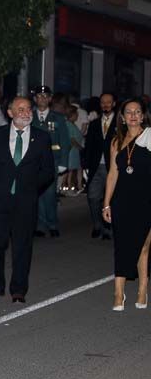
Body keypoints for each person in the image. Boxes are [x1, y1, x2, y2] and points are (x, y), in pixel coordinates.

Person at [0, 96, 55, 304]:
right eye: (20, 109)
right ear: (10, 113)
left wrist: (30, 188)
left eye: (28, 109)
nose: (25, 112)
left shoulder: (41, 138)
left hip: (26, 201)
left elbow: (48, 171)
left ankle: (19, 289)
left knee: (22, 247)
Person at [102, 98, 151, 310]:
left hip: (146, 199)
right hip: (122, 200)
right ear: (122, 117)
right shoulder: (116, 141)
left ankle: (142, 290)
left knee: (143, 247)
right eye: (129, 112)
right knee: (121, 246)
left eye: (137, 112)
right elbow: (113, 174)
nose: (133, 115)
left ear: (143, 115)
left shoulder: (150, 137)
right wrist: (106, 204)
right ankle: (118, 293)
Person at [32, 86, 69, 237]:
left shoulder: (58, 118)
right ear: (35, 99)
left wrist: (63, 163)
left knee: (49, 194)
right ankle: (40, 226)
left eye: (45, 96)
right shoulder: (30, 116)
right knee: (37, 194)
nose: (42, 99)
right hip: (33, 162)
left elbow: (65, 141)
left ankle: (52, 223)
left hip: (52, 160)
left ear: (50, 99)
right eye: (39, 96)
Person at [84, 93, 117, 240]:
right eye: (103, 102)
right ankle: (97, 224)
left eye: (108, 102)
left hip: (114, 167)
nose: (105, 105)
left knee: (111, 199)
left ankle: (108, 227)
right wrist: (85, 165)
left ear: (114, 104)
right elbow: (89, 146)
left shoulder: (121, 123)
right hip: (96, 167)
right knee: (93, 197)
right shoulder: (94, 124)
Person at [64, 106, 84, 195]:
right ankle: (68, 188)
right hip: (72, 150)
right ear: (72, 114)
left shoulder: (72, 124)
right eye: (76, 114)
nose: (77, 116)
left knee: (76, 168)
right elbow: (71, 139)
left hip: (75, 150)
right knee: (70, 170)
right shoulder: (68, 124)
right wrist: (79, 147)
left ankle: (79, 187)